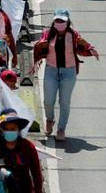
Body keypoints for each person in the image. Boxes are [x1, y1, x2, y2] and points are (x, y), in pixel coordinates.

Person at [33, 8, 97, 141]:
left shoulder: (73, 34)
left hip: (69, 72)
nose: (59, 22)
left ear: (67, 22)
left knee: (65, 102)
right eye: (57, 20)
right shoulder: (47, 33)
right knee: (48, 101)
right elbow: (39, 47)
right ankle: (50, 120)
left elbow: (83, 44)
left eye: (62, 20)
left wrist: (90, 49)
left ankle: (61, 129)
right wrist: (38, 52)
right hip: (51, 70)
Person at [0, 109, 43, 193]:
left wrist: (38, 190)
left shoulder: (28, 147)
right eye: (6, 129)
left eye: (13, 129)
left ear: (18, 130)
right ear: (2, 130)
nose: (9, 131)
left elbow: (36, 173)